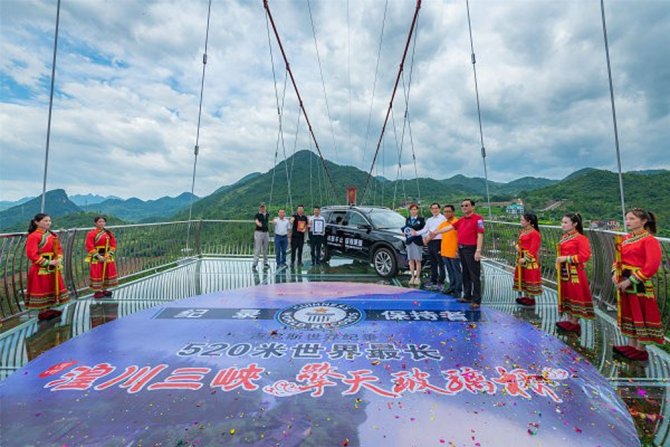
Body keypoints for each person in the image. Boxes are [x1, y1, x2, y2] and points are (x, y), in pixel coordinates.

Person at [612, 209, 664, 361]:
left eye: (632, 219)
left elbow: (652, 266)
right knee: (628, 312)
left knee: (641, 312)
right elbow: (617, 260)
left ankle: (640, 349)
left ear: (643, 221)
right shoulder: (626, 238)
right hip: (624, 281)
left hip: (639, 283)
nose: (628, 222)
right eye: (627, 219)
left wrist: (630, 280)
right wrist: (615, 273)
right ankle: (630, 344)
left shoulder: (650, 240)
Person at [431, 199, 485, 308]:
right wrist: (435, 232)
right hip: (462, 249)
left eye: (466, 205)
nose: (464, 207)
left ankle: (476, 300)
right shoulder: (461, 220)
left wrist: (478, 251)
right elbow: (449, 228)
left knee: (474, 275)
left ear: (472, 207)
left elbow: (480, 235)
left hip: (471, 249)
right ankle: (467, 296)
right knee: (465, 273)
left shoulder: (478, 219)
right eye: (462, 206)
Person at [25, 213, 70, 320]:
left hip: (53, 265)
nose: (48, 223)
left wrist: (58, 259)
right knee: (41, 287)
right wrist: (48, 262)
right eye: (45, 221)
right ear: (36, 222)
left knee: (51, 286)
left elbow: (59, 249)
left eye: (49, 220)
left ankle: (49, 308)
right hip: (40, 267)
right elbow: (32, 254)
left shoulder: (52, 235)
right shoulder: (33, 236)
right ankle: (43, 311)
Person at [555, 213, 593, 334]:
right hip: (564, 271)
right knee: (567, 294)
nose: (563, 225)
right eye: (562, 222)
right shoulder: (564, 237)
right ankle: (569, 319)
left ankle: (574, 322)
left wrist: (566, 259)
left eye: (566, 222)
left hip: (575, 272)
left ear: (575, 224)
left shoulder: (581, 238)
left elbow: (585, 256)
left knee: (575, 294)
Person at [414, 203, 446, 290]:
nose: (434, 210)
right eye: (432, 208)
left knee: (440, 262)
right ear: (431, 210)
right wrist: (416, 233)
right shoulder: (429, 220)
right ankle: (433, 280)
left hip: (439, 241)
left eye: (436, 208)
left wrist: (428, 238)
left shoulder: (443, 218)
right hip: (430, 242)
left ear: (439, 209)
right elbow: (425, 230)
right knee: (433, 262)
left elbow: (438, 230)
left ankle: (441, 281)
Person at [85, 215, 118, 299]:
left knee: (107, 272)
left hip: (107, 256)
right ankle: (97, 291)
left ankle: (104, 289)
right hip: (96, 256)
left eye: (103, 221)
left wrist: (109, 254)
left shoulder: (108, 233)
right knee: (97, 273)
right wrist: (98, 256)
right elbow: (89, 246)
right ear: (95, 223)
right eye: (99, 222)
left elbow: (113, 244)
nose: (102, 223)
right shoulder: (91, 233)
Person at [514, 213, 543, 306]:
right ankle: (526, 296)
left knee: (530, 277)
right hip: (521, 256)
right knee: (524, 277)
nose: (521, 221)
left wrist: (526, 258)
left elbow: (534, 248)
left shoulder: (535, 233)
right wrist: (517, 246)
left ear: (529, 221)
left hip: (530, 259)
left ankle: (531, 298)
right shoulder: (523, 231)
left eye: (522, 220)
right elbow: (520, 242)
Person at [436, 205, 462, 296]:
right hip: (445, 251)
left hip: (454, 252)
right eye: (445, 212)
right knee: (450, 271)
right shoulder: (443, 224)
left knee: (457, 271)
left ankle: (458, 290)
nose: (446, 213)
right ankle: (452, 287)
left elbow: (461, 237)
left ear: (453, 212)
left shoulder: (457, 222)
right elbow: (434, 232)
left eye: (448, 211)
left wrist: (458, 250)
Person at [402, 204, 426, 285]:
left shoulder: (421, 219)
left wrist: (424, 238)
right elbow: (406, 229)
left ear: (417, 210)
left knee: (418, 260)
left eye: (415, 209)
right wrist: (404, 232)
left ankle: (418, 277)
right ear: (410, 211)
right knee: (411, 260)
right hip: (409, 242)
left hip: (417, 241)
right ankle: (412, 276)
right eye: (412, 209)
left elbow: (424, 230)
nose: (413, 211)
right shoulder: (407, 219)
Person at [252, 202, 270, 270]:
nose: (262, 208)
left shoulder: (267, 214)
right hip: (258, 232)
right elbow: (256, 221)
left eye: (263, 207)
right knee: (258, 249)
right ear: (259, 207)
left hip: (266, 232)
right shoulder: (257, 214)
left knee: (265, 249)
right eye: (261, 207)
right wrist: (258, 224)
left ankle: (265, 263)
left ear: (265, 207)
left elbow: (267, 222)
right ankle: (255, 263)